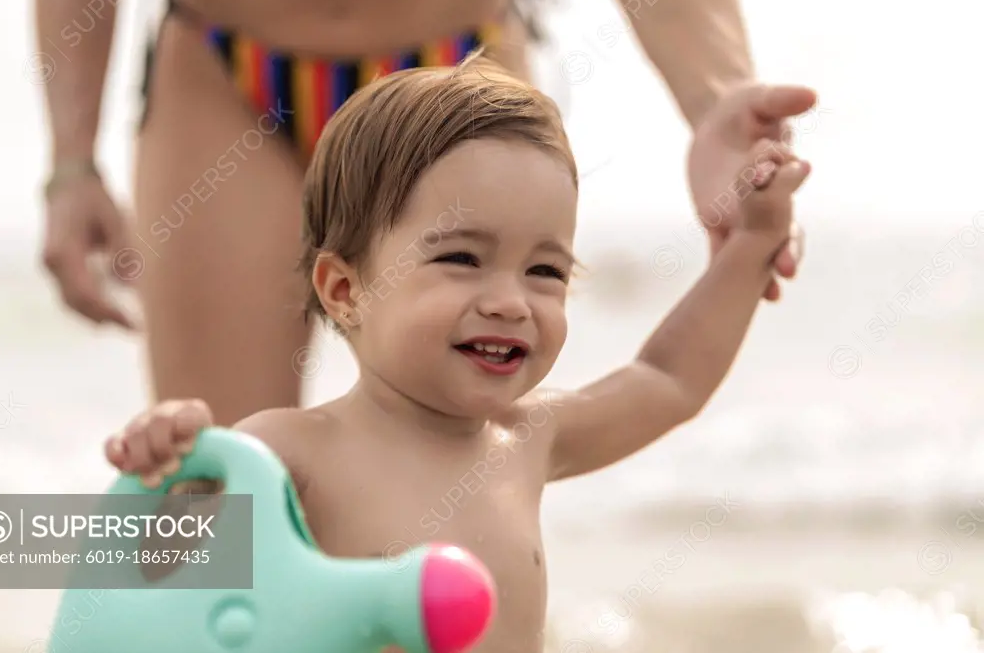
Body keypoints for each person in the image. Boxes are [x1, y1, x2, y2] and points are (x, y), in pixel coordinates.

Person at [104, 56, 815, 652]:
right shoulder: (288, 451)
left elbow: (668, 379)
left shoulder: (531, 438)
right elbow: (159, 581)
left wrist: (751, 246)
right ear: (346, 289)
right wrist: (169, 463)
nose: (512, 300)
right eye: (463, 258)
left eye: (545, 271)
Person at [36, 0, 802, 426]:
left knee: (461, 468)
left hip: (455, 68)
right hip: (225, 71)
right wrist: (71, 162)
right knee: (217, 492)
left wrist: (715, 100)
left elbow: (667, 385)